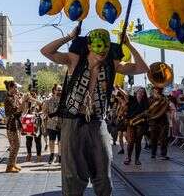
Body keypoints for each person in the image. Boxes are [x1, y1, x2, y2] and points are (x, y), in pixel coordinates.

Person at [41, 26, 148, 196]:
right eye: (98, 45)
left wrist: (129, 44)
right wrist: (69, 37)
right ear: (89, 46)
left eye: (106, 46)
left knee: (103, 172)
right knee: (72, 174)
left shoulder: (112, 64)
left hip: (98, 121)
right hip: (72, 120)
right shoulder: (74, 60)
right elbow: (46, 51)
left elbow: (142, 68)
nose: (102, 50)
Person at [124, 87, 149, 166]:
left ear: (144, 94)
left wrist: (145, 114)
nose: (141, 93)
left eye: (142, 92)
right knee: (131, 141)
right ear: (136, 92)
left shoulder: (145, 102)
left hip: (141, 124)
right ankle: (128, 158)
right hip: (131, 123)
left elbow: (147, 112)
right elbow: (125, 95)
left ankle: (137, 159)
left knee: (138, 142)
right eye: (139, 91)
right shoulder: (132, 99)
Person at [4, 80, 23, 172]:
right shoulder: (8, 99)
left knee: (17, 145)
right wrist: (23, 101)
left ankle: (13, 164)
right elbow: (17, 110)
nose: (17, 89)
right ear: (10, 88)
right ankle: (9, 166)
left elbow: (22, 110)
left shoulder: (14, 97)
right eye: (15, 87)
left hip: (16, 123)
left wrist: (22, 100)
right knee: (14, 145)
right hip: (12, 124)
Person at [147, 86, 170, 160]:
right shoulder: (150, 99)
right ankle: (153, 153)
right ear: (153, 90)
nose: (159, 91)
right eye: (157, 89)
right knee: (153, 138)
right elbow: (147, 110)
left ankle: (163, 154)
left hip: (163, 120)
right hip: (153, 121)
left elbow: (168, 109)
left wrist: (163, 100)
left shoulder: (165, 98)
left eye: (160, 89)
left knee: (164, 138)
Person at [22, 86, 43, 162]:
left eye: (33, 94)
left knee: (37, 139)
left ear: (36, 94)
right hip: (28, 122)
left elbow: (41, 105)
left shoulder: (39, 99)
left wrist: (33, 99)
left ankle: (39, 156)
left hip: (37, 122)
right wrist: (26, 101)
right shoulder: (27, 102)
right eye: (31, 94)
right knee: (28, 139)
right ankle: (29, 154)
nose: (32, 95)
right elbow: (24, 111)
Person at [42, 84, 62, 164]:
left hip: (61, 124)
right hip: (51, 124)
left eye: (61, 90)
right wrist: (48, 116)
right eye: (58, 90)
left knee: (61, 141)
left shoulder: (63, 101)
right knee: (52, 141)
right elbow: (44, 111)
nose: (60, 92)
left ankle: (60, 156)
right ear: (54, 91)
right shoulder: (48, 100)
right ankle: (52, 155)